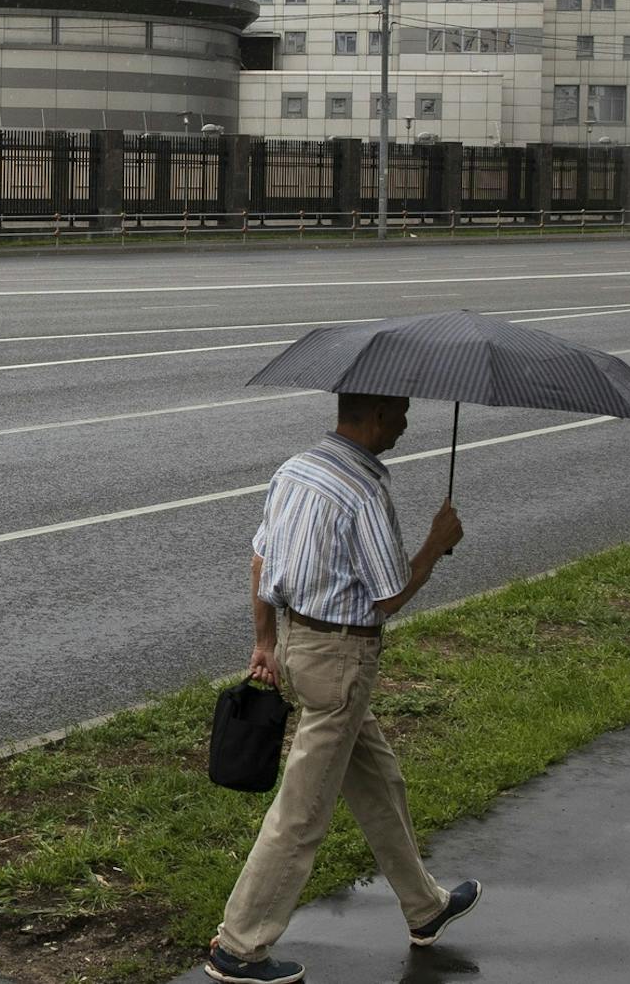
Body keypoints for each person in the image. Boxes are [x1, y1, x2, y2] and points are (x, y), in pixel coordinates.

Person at [207, 392, 481, 984]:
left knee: (379, 781)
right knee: (302, 812)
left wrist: (265, 643)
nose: (407, 425)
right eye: (402, 413)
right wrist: (436, 544)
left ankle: (425, 907)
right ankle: (239, 946)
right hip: (343, 658)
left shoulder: (295, 469)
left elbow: (260, 562)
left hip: (299, 645)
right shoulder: (364, 492)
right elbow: (387, 597)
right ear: (377, 415)